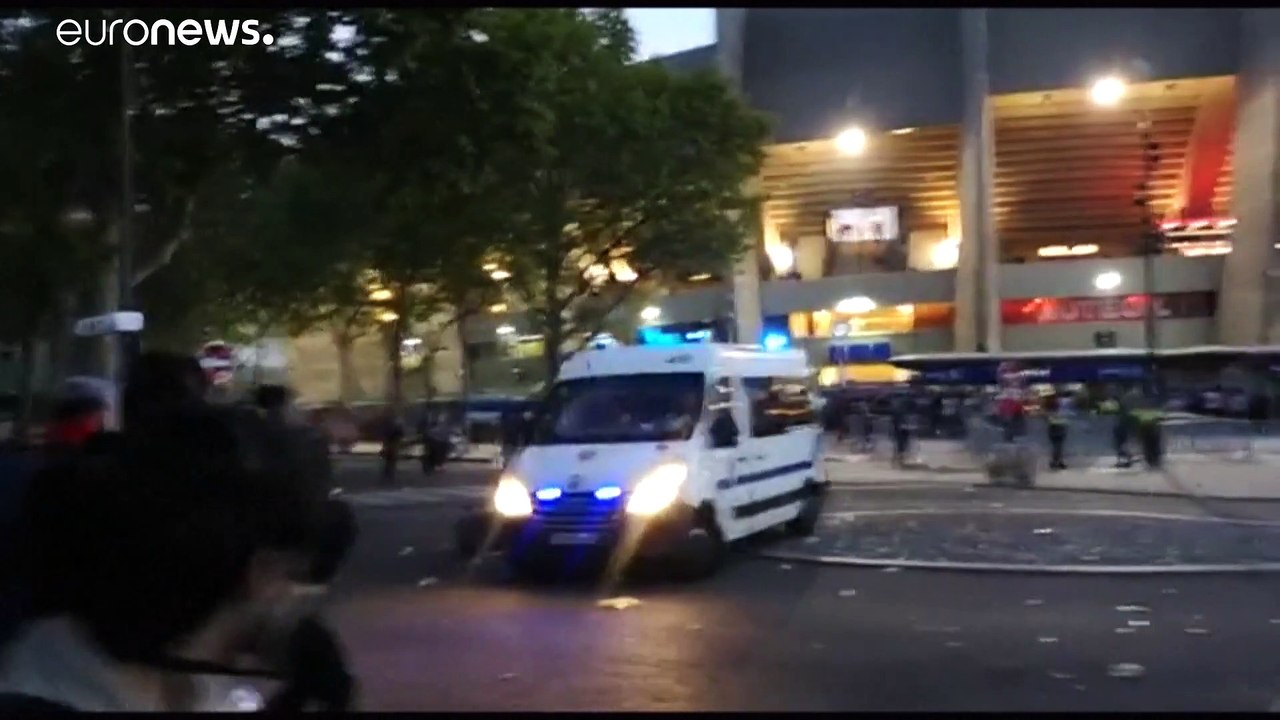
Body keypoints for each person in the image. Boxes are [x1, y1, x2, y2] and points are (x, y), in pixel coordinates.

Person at [1043, 392, 1068, 471]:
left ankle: (1057, 462)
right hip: (1059, 429)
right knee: (1058, 447)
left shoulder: (1048, 409)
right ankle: (1056, 462)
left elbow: (1047, 419)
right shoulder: (1059, 408)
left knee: (1057, 447)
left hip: (1053, 429)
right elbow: (1062, 418)